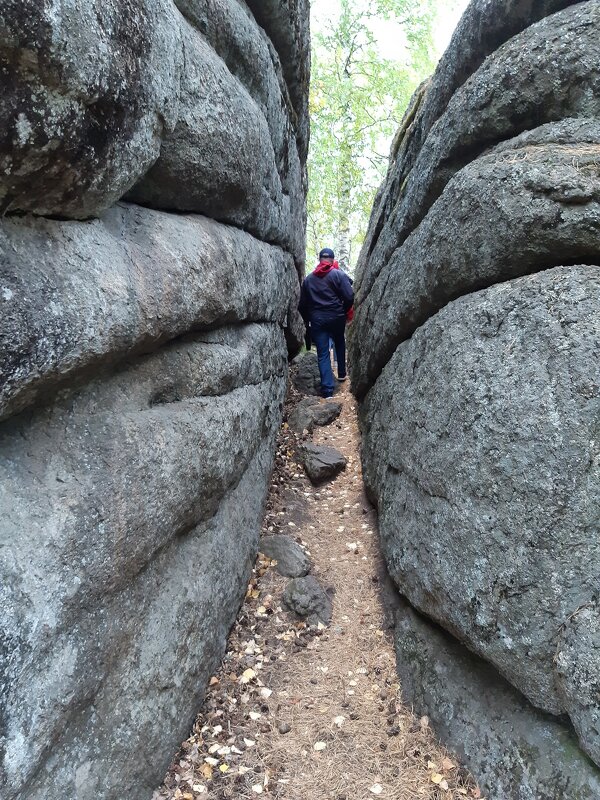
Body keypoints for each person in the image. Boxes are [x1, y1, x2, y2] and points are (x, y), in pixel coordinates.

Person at [299, 247, 354, 398]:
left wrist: (308, 319)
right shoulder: (338, 275)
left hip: (318, 319)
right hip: (337, 316)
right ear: (332, 259)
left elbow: (302, 305)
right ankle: (342, 374)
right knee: (339, 341)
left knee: (323, 353)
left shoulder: (309, 280)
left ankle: (328, 391)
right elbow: (349, 296)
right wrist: (343, 310)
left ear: (319, 259)